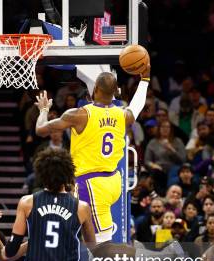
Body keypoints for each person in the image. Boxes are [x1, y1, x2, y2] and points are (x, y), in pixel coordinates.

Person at [35, 67, 151, 242]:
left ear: (95, 89)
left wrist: (44, 110)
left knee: (101, 248)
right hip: (113, 181)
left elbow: (40, 130)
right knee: (87, 238)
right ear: (115, 92)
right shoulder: (123, 114)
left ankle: (160, 255)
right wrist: (145, 80)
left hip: (91, 184)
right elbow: (137, 105)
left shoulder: (79, 114)